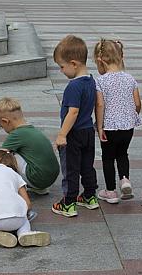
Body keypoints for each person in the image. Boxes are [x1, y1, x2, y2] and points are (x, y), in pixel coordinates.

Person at [51, 35, 99, 217]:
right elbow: (98, 105)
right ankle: (89, 196)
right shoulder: (91, 81)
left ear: (74, 63)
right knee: (87, 166)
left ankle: (68, 203)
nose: (62, 71)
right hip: (88, 132)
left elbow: (73, 112)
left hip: (73, 133)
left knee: (71, 169)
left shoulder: (73, 86)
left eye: (62, 67)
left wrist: (62, 135)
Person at [93, 39, 142, 203]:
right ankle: (125, 179)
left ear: (100, 60)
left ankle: (110, 191)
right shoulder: (130, 78)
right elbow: (137, 103)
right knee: (122, 154)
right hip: (128, 126)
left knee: (107, 157)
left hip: (109, 127)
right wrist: (131, 116)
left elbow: (100, 104)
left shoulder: (100, 81)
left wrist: (99, 127)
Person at [0, 150, 51, 248]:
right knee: (24, 220)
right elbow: (27, 203)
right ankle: (24, 233)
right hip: (16, 219)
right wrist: (25, 213)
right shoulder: (15, 174)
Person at [0, 97, 60, 195]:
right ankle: (39, 188)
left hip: (38, 178)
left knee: (6, 156)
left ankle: (9, 187)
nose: (3, 129)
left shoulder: (16, 134)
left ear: (5, 121)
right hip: (51, 177)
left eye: (1, 126)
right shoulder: (32, 129)